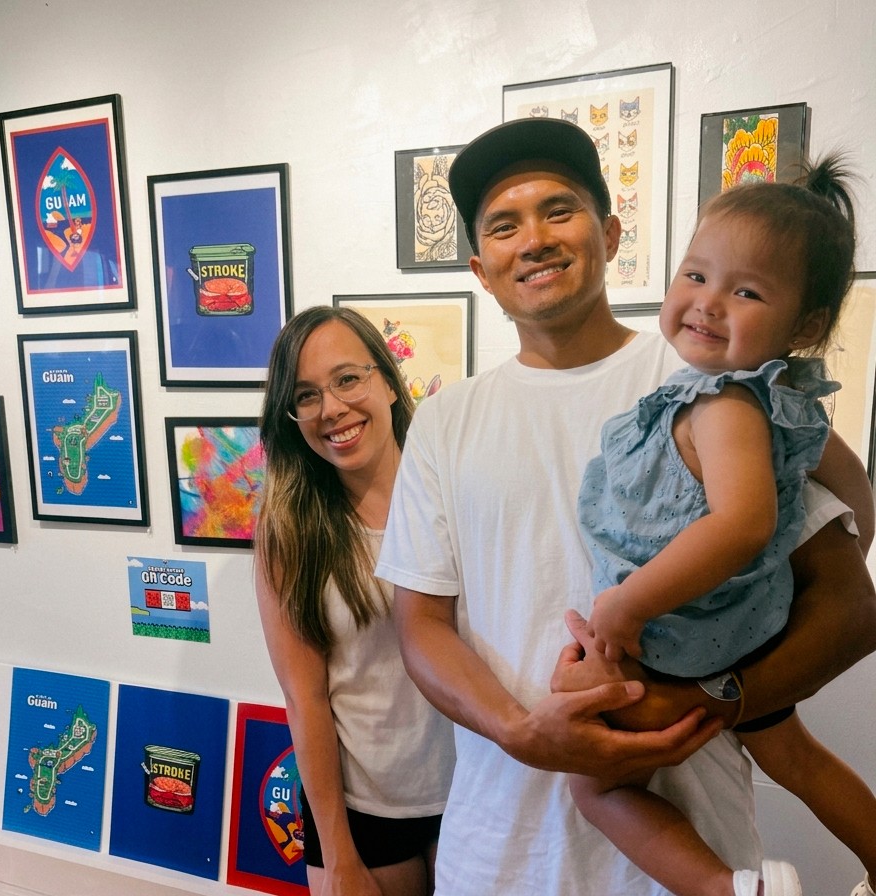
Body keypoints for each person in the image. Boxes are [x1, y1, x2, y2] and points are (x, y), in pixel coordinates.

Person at [374, 116, 876, 896]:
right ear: (480, 266)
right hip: (495, 854)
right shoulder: (445, 418)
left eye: (559, 210)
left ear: (611, 234)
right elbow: (421, 626)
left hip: (687, 849)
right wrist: (523, 732)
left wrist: (713, 700)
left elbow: (847, 604)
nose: (533, 238)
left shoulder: (709, 374)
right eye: (504, 225)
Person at [570, 158, 876, 896]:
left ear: (805, 325)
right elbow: (855, 491)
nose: (707, 303)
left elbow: (741, 526)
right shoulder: (785, 402)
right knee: (793, 757)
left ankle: (726, 888)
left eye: (745, 292)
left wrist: (627, 604)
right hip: (747, 636)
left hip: (681, 638)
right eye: (695, 276)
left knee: (598, 789)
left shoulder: (725, 406)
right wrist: (856, 536)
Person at [255, 305, 455, 896]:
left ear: (389, 383)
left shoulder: (453, 493)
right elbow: (305, 697)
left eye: (347, 379)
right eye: (307, 394)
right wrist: (337, 853)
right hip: (362, 811)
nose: (332, 409)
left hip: (476, 794)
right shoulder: (289, 528)